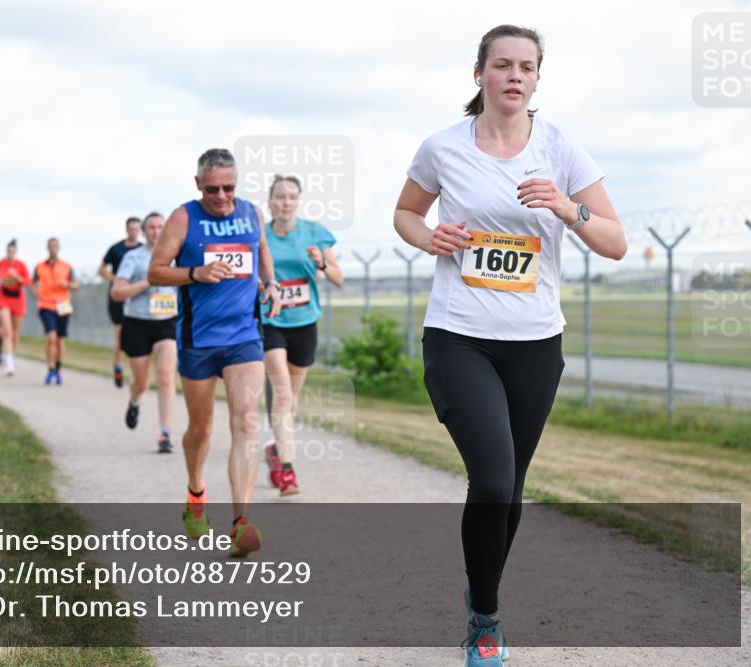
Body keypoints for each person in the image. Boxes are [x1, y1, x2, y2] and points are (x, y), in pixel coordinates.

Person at [393, 25, 627, 666]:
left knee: (512, 487)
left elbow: (614, 241)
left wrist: (565, 209)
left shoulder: (561, 150)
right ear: (480, 75)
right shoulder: (443, 147)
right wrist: (428, 238)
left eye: (526, 67)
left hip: (534, 342)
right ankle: (486, 621)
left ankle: (482, 585)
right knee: (492, 480)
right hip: (459, 334)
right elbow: (406, 214)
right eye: (502, 65)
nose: (514, 76)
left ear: (536, 80)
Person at [148, 148, 281, 557]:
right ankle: (195, 492)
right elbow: (155, 271)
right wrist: (194, 274)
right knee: (201, 430)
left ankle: (241, 522)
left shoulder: (250, 213)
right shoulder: (184, 217)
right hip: (198, 340)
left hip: (243, 336)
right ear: (198, 185)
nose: (222, 196)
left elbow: (261, 252)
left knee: (245, 421)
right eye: (213, 189)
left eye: (229, 187)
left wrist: (271, 284)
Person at [260, 175, 344, 496]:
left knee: (290, 400)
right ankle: (288, 471)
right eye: (280, 196)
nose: (286, 202)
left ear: (299, 201)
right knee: (282, 395)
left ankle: (273, 444)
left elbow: (338, 278)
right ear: (270, 202)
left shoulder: (314, 233)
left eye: (292, 197)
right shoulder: (261, 235)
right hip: (271, 320)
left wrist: (322, 262)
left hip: (305, 322)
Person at [111, 212, 178, 453]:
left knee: (166, 376)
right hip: (137, 322)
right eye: (151, 227)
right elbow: (116, 293)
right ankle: (135, 400)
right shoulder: (134, 257)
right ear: (143, 231)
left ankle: (165, 433)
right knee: (142, 381)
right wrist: (146, 282)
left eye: (161, 227)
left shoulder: (176, 255)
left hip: (166, 322)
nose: (156, 231)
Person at [99, 217, 143, 388]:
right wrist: (116, 279)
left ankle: (135, 372)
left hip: (137, 297)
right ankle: (118, 366)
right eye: (131, 229)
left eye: (136, 229)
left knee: (135, 336)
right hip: (118, 297)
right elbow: (101, 269)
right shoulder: (116, 249)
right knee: (120, 336)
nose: (134, 232)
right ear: (126, 230)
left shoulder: (142, 249)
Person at [33, 237, 79, 385]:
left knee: (60, 340)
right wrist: (37, 293)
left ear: (58, 248)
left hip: (63, 305)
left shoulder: (66, 266)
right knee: (51, 337)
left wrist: (67, 285)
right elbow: (31, 282)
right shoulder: (40, 266)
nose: (53, 248)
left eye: (55, 246)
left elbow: (76, 285)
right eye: (51, 246)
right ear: (47, 248)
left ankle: (58, 370)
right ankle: (50, 368)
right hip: (46, 305)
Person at [0, 239, 31, 376]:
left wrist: (17, 277)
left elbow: (27, 281)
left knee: (15, 332)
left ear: (16, 251)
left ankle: (11, 354)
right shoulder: (0, 264)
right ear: (6, 251)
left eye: (13, 250)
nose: (11, 253)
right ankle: (9, 364)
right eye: (9, 250)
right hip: (3, 299)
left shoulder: (21, 265)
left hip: (17, 300)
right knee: (7, 332)